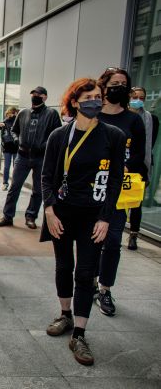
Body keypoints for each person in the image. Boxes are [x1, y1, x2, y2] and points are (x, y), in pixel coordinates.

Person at [42, 78, 125, 366]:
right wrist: (50, 211)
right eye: (88, 96)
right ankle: (64, 315)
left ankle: (79, 332)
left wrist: (106, 218)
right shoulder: (59, 136)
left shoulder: (112, 136)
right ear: (75, 101)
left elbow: (115, 181)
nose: (95, 100)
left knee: (86, 272)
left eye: (98, 96)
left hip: (94, 217)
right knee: (64, 266)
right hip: (62, 214)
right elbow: (46, 176)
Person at [94, 68, 147, 317]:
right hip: (91, 188)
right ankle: (90, 282)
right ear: (103, 87)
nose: (119, 87)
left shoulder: (133, 120)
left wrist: (123, 166)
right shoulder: (91, 115)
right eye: (113, 83)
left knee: (113, 241)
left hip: (117, 188)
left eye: (123, 84)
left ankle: (105, 289)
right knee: (90, 240)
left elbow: (138, 154)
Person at [0, 86, 61, 229]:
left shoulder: (52, 114)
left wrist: (45, 146)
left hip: (41, 157)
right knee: (14, 187)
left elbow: (56, 134)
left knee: (38, 190)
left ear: (45, 97)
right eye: (33, 94)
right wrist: (17, 140)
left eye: (38, 94)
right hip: (22, 155)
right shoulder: (23, 113)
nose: (35, 96)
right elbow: (14, 130)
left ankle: (31, 216)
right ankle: (7, 216)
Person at [126, 86, 154, 250]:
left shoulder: (149, 118)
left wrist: (147, 169)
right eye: (135, 96)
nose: (138, 100)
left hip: (139, 166)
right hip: (122, 165)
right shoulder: (123, 116)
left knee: (136, 203)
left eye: (142, 97)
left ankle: (133, 235)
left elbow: (148, 145)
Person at [0, 107, 19, 191]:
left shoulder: (18, 122)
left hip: (16, 146)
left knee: (16, 166)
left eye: (14, 113)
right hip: (7, 147)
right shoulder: (5, 121)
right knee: (6, 166)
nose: (12, 115)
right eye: (11, 113)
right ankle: (5, 183)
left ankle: (15, 183)